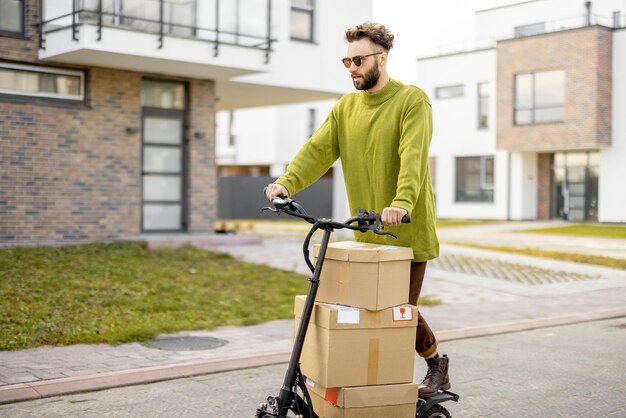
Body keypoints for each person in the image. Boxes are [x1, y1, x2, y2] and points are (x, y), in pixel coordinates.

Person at [264, 21, 450, 398]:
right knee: (368, 311)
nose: (352, 67)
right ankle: (365, 382)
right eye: (346, 60)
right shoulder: (345, 107)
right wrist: (287, 182)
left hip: (407, 231)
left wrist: (401, 203)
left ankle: (435, 365)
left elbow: (412, 158)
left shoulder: (411, 100)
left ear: (381, 58)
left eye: (359, 59)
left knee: (398, 310)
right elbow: (317, 151)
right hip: (367, 232)